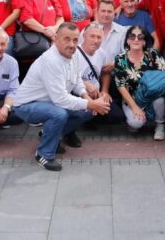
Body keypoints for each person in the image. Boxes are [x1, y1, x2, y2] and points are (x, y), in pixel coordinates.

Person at [10, 23, 110, 171]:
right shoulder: (51, 60)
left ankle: (49, 134)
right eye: (66, 39)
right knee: (59, 114)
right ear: (56, 39)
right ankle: (43, 154)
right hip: (26, 105)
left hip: (49, 101)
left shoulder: (73, 53)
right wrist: (92, 104)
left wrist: (86, 97)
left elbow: (76, 80)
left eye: (75, 40)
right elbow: (61, 99)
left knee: (86, 112)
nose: (71, 44)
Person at [113, 25, 165, 139]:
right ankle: (135, 120)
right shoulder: (120, 59)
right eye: (132, 36)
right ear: (128, 40)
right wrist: (135, 107)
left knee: (159, 101)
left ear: (144, 42)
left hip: (152, 97)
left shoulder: (152, 54)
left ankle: (160, 125)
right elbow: (120, 85)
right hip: (132, 99)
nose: (136, 39)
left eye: (140, 37)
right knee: (136, 123)